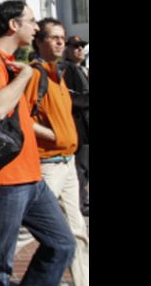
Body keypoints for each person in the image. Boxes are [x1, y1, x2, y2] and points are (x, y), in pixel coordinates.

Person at [0, 0, 74, 285]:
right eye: (31, 21)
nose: (36, 27)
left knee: (62, 244)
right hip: (4, 179)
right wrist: (27, 74)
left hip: (30, 176)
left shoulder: (8, 62)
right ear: (13, 25)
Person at [15, 18, 89, 285]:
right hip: (48, 164)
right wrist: (53, 135)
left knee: (78, 231)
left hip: (68, 165)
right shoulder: (34, 74)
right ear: (39, 42)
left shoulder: (59, 74)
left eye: (63, 38)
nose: (61, 42)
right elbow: (20, 118)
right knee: (25, 230)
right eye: (54, 37)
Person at [61, 35, 89, 217]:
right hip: (79, 127)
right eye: (75, 46)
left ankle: (83, 199)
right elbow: (70, 99)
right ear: (67, 49)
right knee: (81, 167)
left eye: (81, 46)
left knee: (85, 166)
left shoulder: (79, 68)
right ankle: (79, 202)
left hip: (85, 125)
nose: (79, 49)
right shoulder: (68, 69)